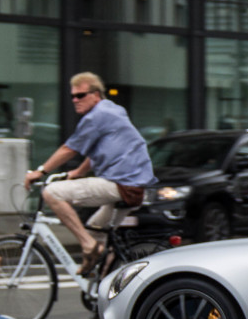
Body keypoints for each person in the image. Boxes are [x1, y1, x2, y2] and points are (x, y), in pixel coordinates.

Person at [24, 72, 156, 275]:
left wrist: (40, 171)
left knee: (51, 193)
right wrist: (77, 172)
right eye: (73, 96)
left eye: (80, 95)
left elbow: (69, 149)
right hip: (134, 187)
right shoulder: (114, 109)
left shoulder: (97, 116)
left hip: (120, 184)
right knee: (96, 228)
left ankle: (87, 246)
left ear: (96, 94)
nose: (75, 100)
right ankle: (103, 281)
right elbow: (98, 150)